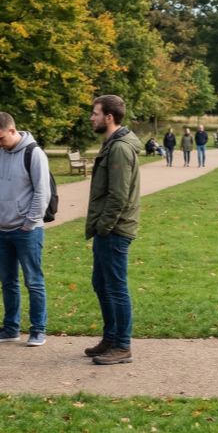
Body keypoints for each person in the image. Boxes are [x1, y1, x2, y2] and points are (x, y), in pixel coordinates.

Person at [0, 112, 51, 346]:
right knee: (8, 282)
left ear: (12, 131)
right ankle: (10, 328)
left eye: (1, 138)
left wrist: (29, 223)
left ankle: (38, 330)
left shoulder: (34, 153)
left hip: (27, 231)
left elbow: (42, 192)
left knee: (33, 281)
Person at [84, 95, 142, 365]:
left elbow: (119, 195)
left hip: (114, 230)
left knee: (116, 288)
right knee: (102, 284)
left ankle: (122, 345)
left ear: (109, 117)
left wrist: (104, 227)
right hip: (107, 229)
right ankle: (110, 338)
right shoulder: (112, 144)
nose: (91, 118)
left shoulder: (119, 148)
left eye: (95, 113)